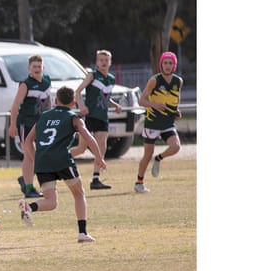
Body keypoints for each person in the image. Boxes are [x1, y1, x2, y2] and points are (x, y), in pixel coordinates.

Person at [17, 86, 105, 243]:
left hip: (43, 163)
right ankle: (82, 233)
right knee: (79, 194)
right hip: (63, 160)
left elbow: (28, 141)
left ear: (56, 101)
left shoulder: (43, 117)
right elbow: (89, 138)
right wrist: (99, 157)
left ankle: (30, 207)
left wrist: (36, 158)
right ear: (73, 103)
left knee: (51, 202)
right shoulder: (74, 118)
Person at [70, 50, 123, 190]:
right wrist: (82, 106)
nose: (104, 62)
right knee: (82, 149)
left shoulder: (111, 78)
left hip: (102, 117)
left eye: (106, 60)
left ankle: (95, 178)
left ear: (110, 62)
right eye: (101, 60)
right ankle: (58, 157)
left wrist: (115, 105)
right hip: (89, 116)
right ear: (97, 62)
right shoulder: (92, 75)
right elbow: (77, 92)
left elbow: (105, 96)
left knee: (102, 146)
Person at [135, 52, 183, 193]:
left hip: (168, 123)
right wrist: (154, 105)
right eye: (165, 63)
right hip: (152, 123)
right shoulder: (154, 80)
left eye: (170, 63)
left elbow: (176, 98)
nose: (167, 66)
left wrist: (176, 111)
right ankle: (139, 183)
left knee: (176, 147)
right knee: (147, 155)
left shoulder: (178, 81)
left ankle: (159, 158)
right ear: (161, 64)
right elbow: (141, 101)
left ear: (174, 65)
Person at [8, 54, 52, 199]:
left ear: (43, 67)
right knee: (30, 155)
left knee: (38, 155)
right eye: (34, 66)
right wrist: (12, 125)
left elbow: (48, 101)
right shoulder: (26, 84)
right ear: (29, 68)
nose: (37, 69)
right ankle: (28, 188)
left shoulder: (46, 81)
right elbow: (15, 105)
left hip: (40, 123)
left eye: (39, 66)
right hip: (25, 123)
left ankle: (25, 180)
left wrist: (51, 117)